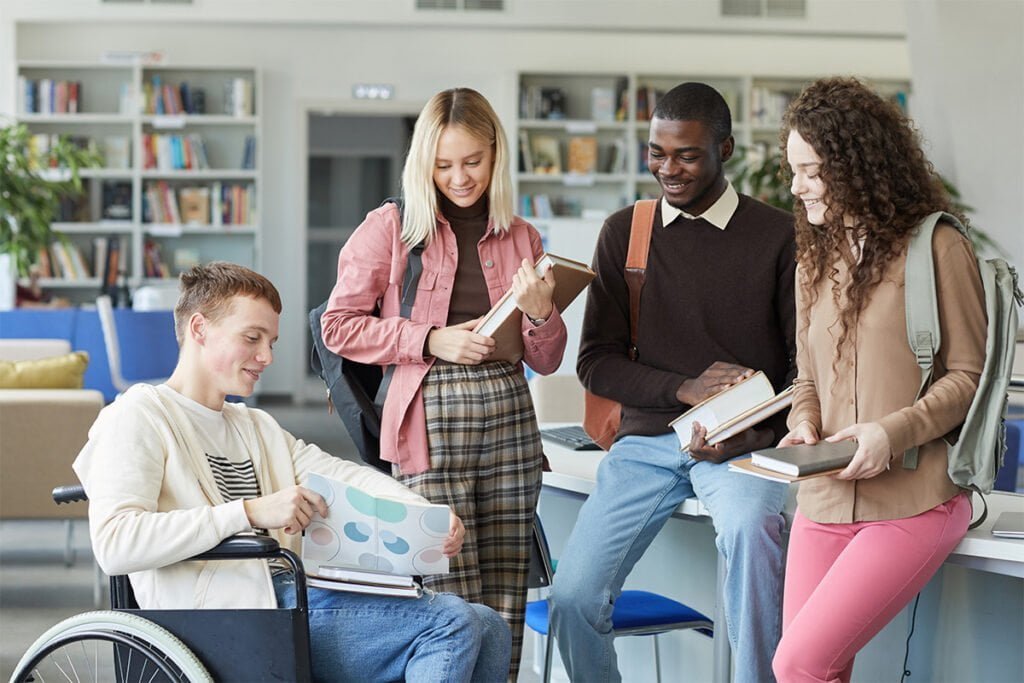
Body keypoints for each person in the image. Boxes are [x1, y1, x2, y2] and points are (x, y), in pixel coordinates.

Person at [73, 261, 512, 683]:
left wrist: (425, 512)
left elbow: (340, 474)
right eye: (252, 337)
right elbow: (115, 543)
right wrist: (248, 513)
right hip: (222, 617)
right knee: (450, 622)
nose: (266, 356)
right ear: (200, 328)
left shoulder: (253, 425)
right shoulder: (138, 415)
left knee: (489, 625)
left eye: (272, 342)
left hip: (284, 600)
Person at [549, 82, 797, 682]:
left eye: (685, 154)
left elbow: (802, 370)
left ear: (725, 149)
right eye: (657, 153)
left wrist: (753, 434)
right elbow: (596, 362)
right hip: (645, 446)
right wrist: (685, 388)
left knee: (753, 531)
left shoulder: (779, 235)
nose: (668, 168)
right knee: (572, 598)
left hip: (744, 452)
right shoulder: (624, 233)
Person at [320, 87, 568, 677]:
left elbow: (549, 358)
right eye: (443, 164)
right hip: (429, 418)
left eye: (473, 162)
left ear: (495, 154)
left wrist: (540, 314)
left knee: (508, 584)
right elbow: (337, 326)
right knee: (447, 583)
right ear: (422, 163)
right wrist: (432, 340)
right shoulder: (392, 228)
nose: (460, 178)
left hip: (510, 413)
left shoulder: (523, 237)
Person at [772, 77, 985, 683]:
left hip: (914, 502)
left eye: (810, 170)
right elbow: (806, 375)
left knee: (798, 663)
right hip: (824, 500)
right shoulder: (813, 257)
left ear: (855, 165)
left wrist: (891, 434)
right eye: (794, 170)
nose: (796, 186)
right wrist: (804, 422)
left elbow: (968, 378)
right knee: (817, 673)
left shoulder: (938, 247)